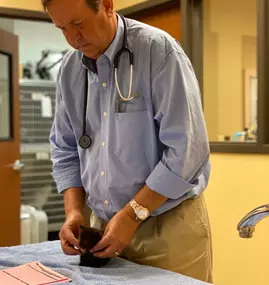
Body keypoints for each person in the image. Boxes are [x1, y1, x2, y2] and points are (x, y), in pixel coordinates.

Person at [44, 0, 213, 283]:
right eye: (62, 28)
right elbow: (65, 148)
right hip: (103, 227)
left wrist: (132, 215)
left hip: (167, 225)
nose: (72, 37)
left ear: (107, 5)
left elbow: (187, 150)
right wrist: (74, 211)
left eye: (78, 23)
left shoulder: (157, 51)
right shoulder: (70, 70)